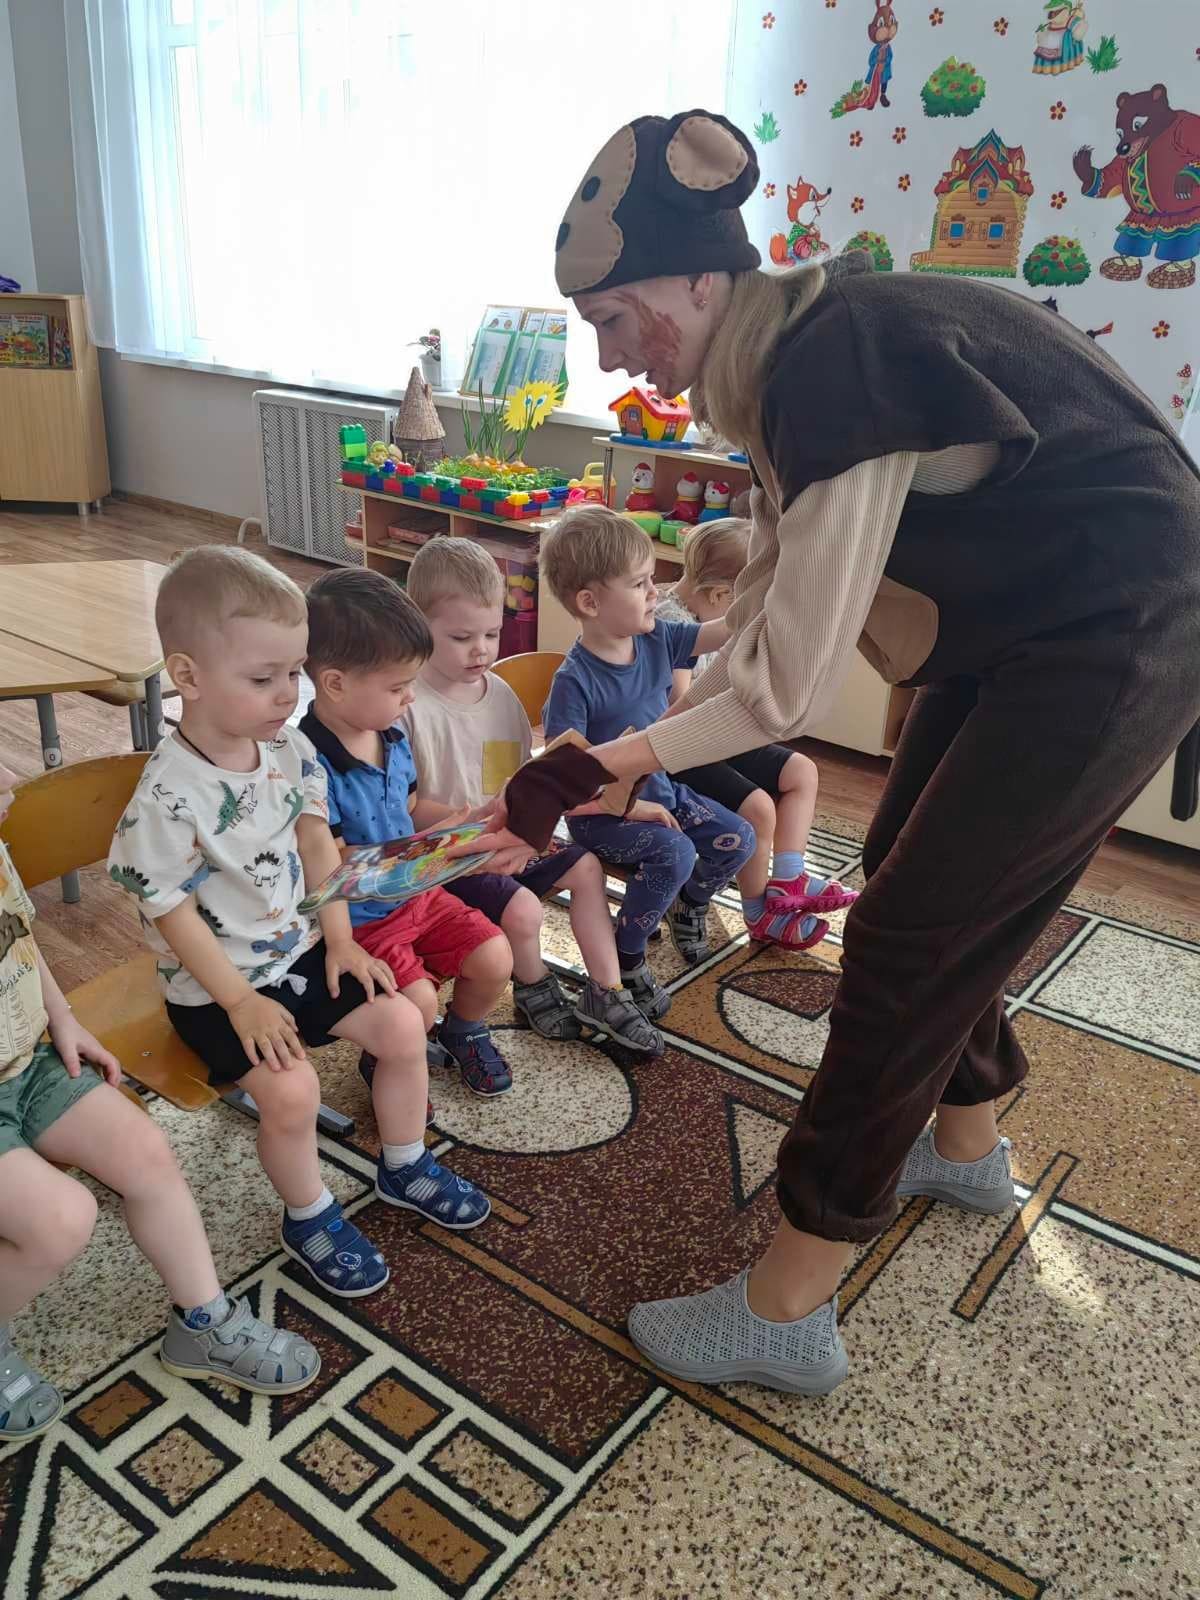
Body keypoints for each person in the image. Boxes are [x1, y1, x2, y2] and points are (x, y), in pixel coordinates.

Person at [467, 106, 1200, 1393]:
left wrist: (605, 764)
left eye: (618, 317)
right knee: (922, 880)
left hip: (1122, 626)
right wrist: (616, 746)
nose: (611, 353)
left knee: (910, 935)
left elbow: (780, 692)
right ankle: (964, 1148)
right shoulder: (779, 358)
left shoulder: (831, 365)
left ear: (701, 278)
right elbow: (760, 610)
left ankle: (787, 1306)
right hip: (1035, 620)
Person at [109, 547, 488, 1307]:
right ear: (186, 676)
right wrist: (240, 1002)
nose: (288, 694)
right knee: (291, 1093)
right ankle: (309, 1214)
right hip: (217, 991)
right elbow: (169, 910)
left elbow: (319, 849)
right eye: (264, 678)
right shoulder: (167, 795)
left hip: (305, 953)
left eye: (294, 673)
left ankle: (405, 1163)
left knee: (402, 1025)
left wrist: (341, 940)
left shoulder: (289, 747)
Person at [0, 755, 320, 1440]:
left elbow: (18, 937)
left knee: (146, 1152)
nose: (8, 784)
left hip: (29, 1061)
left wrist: (62, 1018)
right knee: (59, 1220)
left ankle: (202, 1322)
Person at [403, 538, 664, 1055]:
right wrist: (481, 821)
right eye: (461, 637)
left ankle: (607, 990)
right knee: (523, 909)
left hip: (508, 838)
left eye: (492, 633)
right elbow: (406, 811)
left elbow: (518, 778)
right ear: (417, 625)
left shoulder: (500, 697)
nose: (481, 650)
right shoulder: (406, 704)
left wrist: (545, 812)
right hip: (448, 855)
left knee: (585, 867)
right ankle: (532, 985)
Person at [299, 563, 515, 1109]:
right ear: (335, 683)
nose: (411, 698)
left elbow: (412, 807)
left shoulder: (389, 734)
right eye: (398, 687)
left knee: (495, 955)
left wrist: (471, 821)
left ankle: (463, 1031)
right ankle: (390, 1055)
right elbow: (334, 862)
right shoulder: (308, 764)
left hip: (418, 894)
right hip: (362, 920)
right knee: (417, 1002)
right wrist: (423, 848)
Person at [539, 507, 756, 1013]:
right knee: (676, 853)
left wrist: (767, 594)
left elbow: (724, 630)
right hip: (602, 817)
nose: (656, 592)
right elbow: (563, 784)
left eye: (651, 579)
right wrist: (634, 809)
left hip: (662, 793)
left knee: (739, 838)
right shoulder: (574, 683)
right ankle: (628, 952)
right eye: (639, 584)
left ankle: (688, 903)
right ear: (590, 602)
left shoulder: (658, 638)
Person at [656, 517, 858, 949]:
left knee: (802, 772)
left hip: (713, 735)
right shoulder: (671, 624)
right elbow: (680, 707)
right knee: (759, 809)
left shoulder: (702, 608)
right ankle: (757, 913)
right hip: (674, 748)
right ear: (720, 595)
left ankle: (788, 878)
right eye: (744, 603)